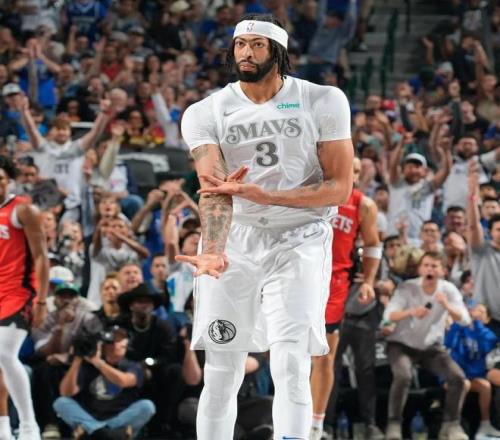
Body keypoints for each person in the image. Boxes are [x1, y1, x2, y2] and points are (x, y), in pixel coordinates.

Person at [177, 13, 353, 438]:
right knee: (221, 367)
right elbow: (214, 189)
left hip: (299, 237)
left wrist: (267, 195)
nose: (247, 53)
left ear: (278, 52)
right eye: (241, 44)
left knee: (291, 361)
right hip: (235, 239)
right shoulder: (205, 112)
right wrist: (213, 250)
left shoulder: (322, 100)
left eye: (257, 45)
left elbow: (340, 188)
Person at [310, 156, 383, 440]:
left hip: (335, 284)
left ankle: (316, 426)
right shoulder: (310, 193)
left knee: (325, 355)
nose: (353, 175)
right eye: (349, 169)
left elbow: (373, 245)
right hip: (300, 277)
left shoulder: (363, 205)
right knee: (290, 352)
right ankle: (290, 417)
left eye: (357, 171)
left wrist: (369, 282)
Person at [383, 251, 471, 440]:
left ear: (443, 271)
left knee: (457, 378)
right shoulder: (407, 287)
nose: (430, 269)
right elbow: (389, 315)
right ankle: (394, 423)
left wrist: (446, 305)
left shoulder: (448, 290)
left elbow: (465, 319)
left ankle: (451, 425)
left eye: (434, 266)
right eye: (426, 265)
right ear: (420, 269)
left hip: (430, 348)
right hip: (402, 344)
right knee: (403, 375)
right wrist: (411, 312)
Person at [0, 155, 49, 440]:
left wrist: (41, 300)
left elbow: (41, 257)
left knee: (4, 354)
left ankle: (30, 426)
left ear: (9, 180)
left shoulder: (23, 210)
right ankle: (4, 428)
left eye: (1, 179)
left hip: (19, 292)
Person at [54, 325, 155, 440]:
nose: (114, 345)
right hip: (92, 416)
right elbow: (66, 392)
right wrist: (77, 360)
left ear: (126, 346)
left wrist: (97, 362)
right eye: (110, 342)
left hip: (120, 418)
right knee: (61, 402)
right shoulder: (87, 365)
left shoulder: (133, 366)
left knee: (147, 406)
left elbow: (123, 381)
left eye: (118, 341)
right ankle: (106, 433)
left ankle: (96, 432)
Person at [467, 160, 500, 338]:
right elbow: (473, 226)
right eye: (499, 229)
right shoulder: (481, 250)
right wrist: (473, 197)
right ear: (490, 232)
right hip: (486, 318)